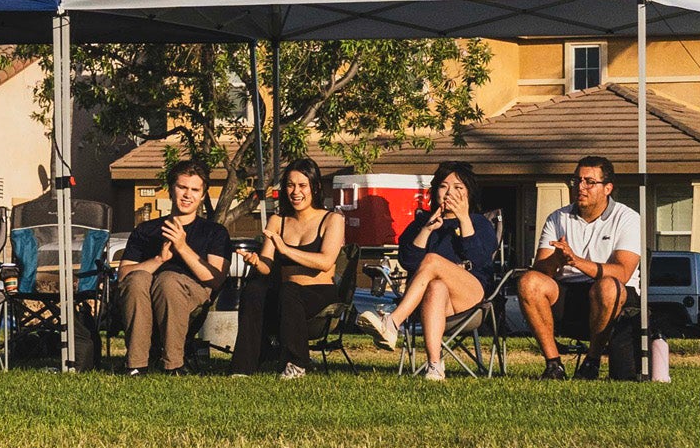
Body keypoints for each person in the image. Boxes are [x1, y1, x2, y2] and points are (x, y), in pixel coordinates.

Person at [360, 161, 500, 381]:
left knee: (432, 260)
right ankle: (435, 366)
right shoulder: (421, 223)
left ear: (469, 193)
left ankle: (393, 322)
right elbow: (408, 262)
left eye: (458, 187)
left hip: (471, 299)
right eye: (444, 186)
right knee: (436, 286)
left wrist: (463, 219)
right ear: (435, 191)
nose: (449, 193)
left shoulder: (479, 223)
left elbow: (480, 261)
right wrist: (426, 230)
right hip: (431, 304)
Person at [514, 154, 644, 380]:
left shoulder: (627, 218)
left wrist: (576, 261)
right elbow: (541, 270)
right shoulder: (558, 217)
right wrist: (557, 259)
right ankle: (553, 365)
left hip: (613, 295)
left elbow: (623, 272)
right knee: (528, 282)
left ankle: (592, 362)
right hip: (567, 291)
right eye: (577, 180)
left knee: (608, 287)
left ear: (607, 188)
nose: (580, 187)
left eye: (589, 182)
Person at [114, 160, 230, 375]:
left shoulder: (214, 232)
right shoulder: (146, 230)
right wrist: (159, 259)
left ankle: (173, 364)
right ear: (170, 189)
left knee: (168, 279)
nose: (187, 195)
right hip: (145, 293)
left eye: (195, 190)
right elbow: (123, 275)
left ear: (203, 195)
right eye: (182, 187)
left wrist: (182, 247)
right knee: (137, 278)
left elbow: (216, 279)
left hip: (189, 292)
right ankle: (136, 365)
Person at [232, 159, 344, 380]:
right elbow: (266, 266)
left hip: (319, 293)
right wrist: (255, 261)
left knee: (290, 290)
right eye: (290, 185)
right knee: (254, 290)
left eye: (302, 185)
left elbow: (325, 261)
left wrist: (285, 249)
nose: (295, 192)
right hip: (286, 294)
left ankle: (296, 363)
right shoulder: (277, 220)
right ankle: (243, 367)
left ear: (315, 187)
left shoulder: (332, 219)